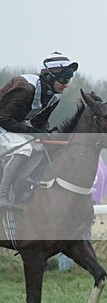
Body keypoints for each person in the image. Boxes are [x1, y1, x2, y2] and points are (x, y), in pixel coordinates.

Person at [0, 52, 79, 208]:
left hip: (12, 124)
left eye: (68, 80)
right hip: (2, 121)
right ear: (49, 77)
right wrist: (33, 132)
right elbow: (3, 118)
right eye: (63, 80)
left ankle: (17, 189)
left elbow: (40, 121)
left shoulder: (55, 95)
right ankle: (2, 194)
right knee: (24, 150)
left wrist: (46, 133)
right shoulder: (25, 88)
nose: (66, 85)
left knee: (42, 147)